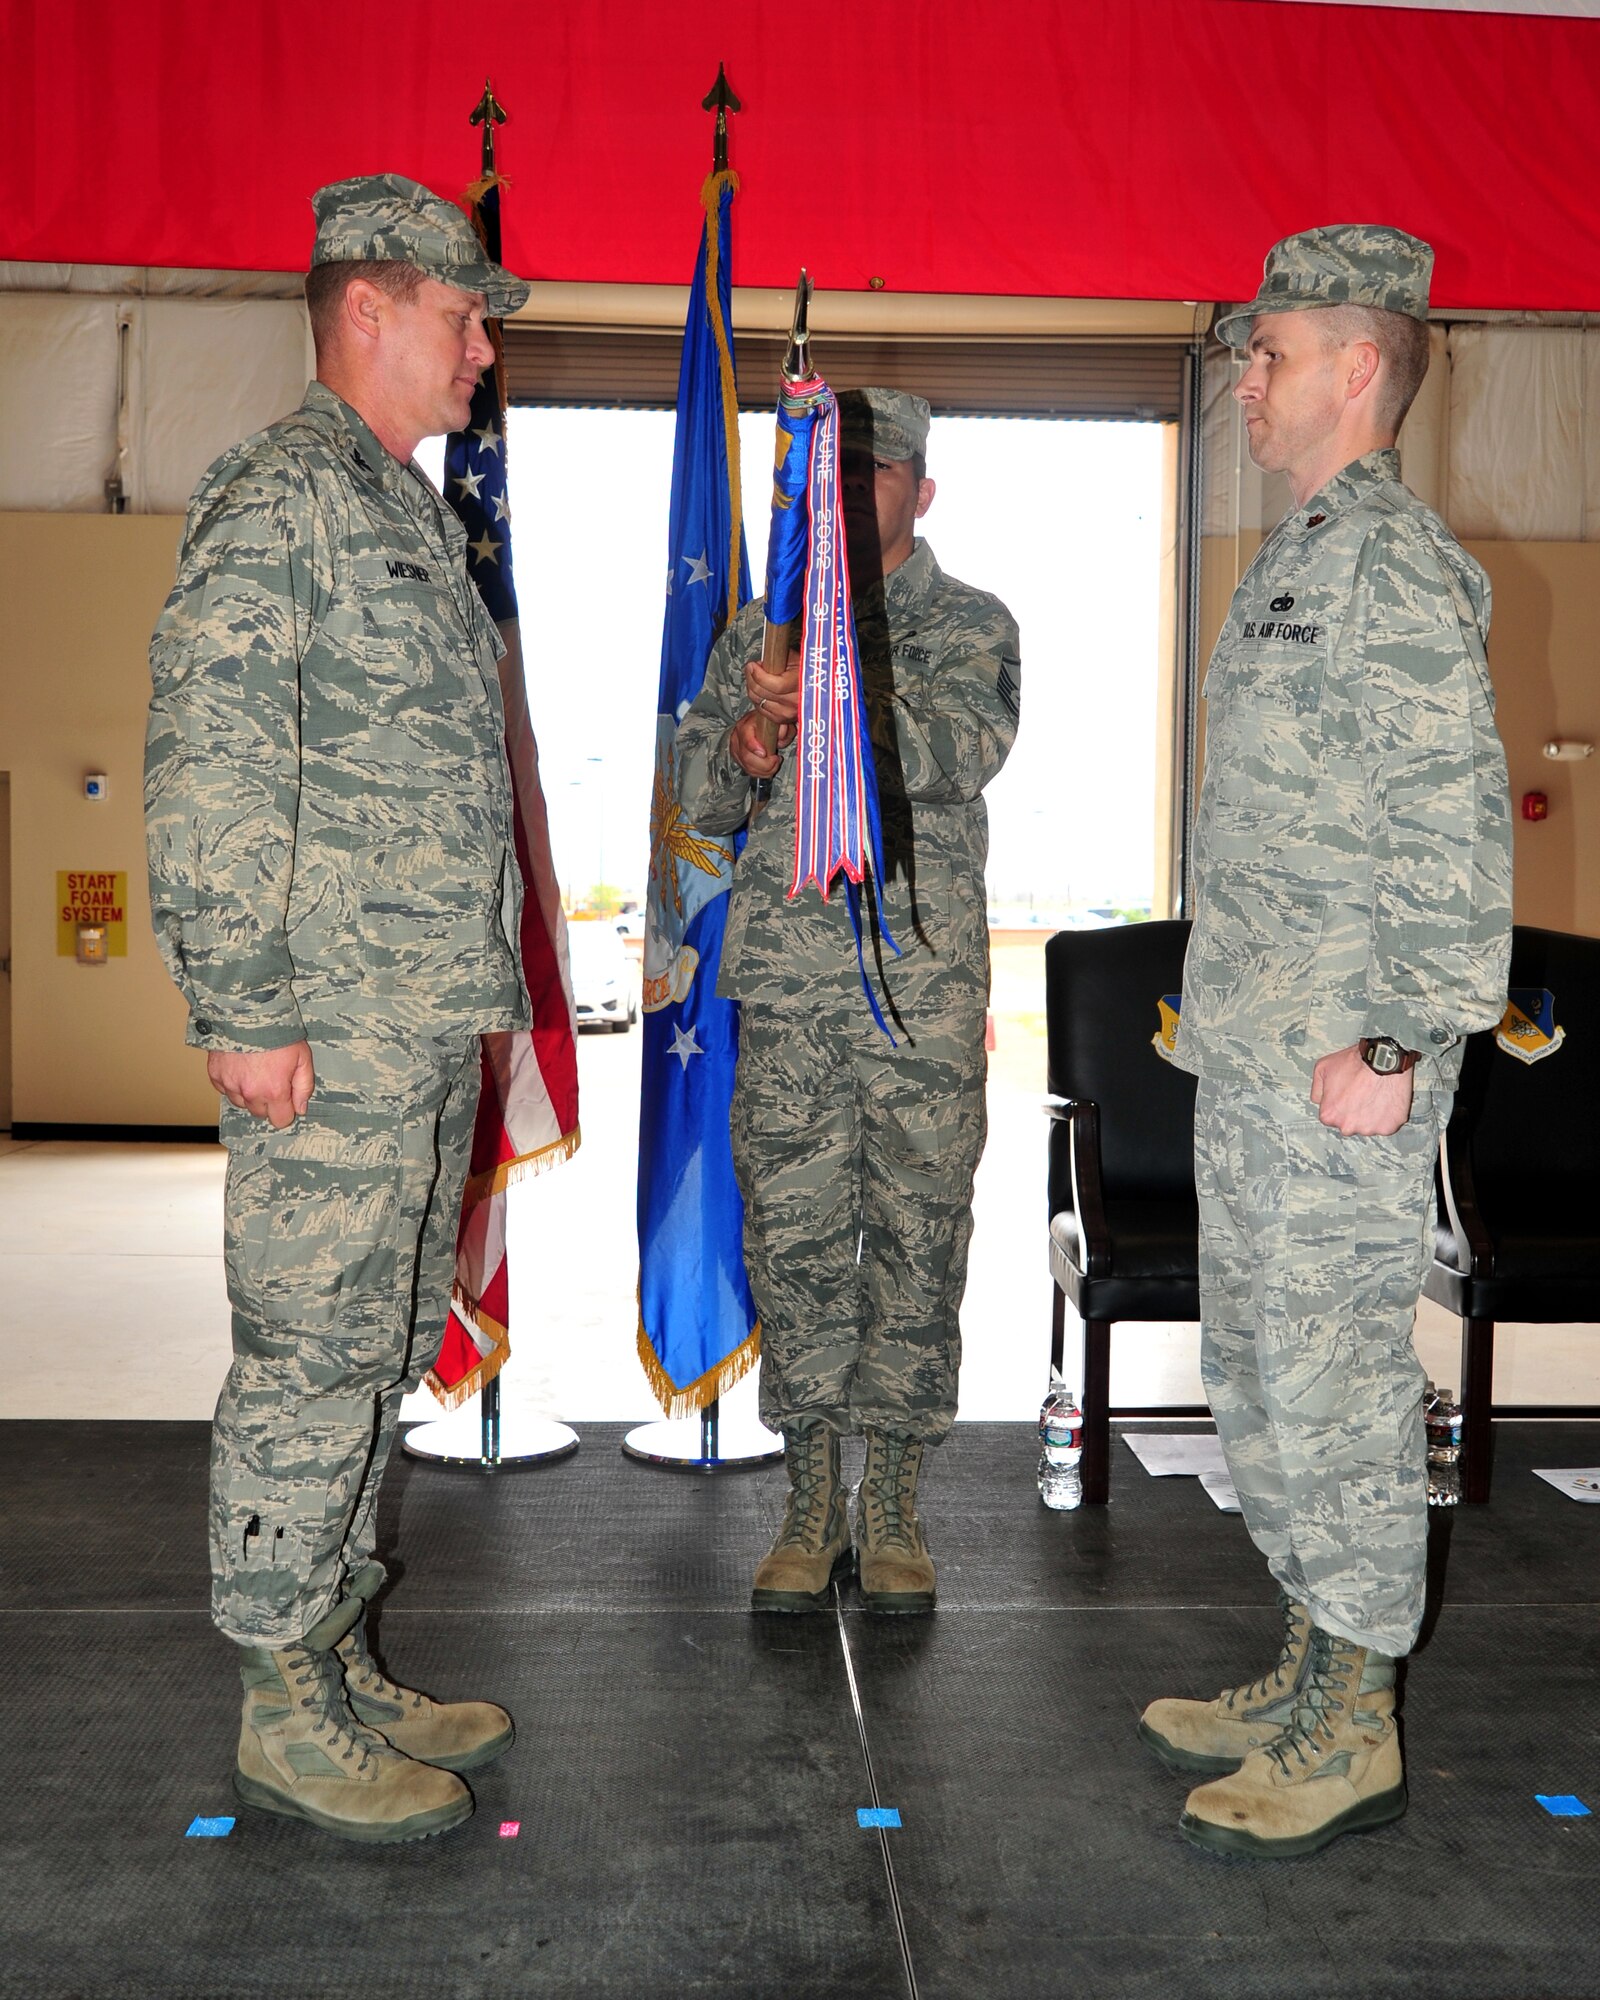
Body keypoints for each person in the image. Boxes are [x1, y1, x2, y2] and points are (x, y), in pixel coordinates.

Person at [144, 173, 534, 1843]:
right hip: (325, 1025)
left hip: (413, 1022)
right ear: (365, 309)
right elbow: (212, 767)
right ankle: (279, 1704)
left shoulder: (405, 514)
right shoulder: (281, 496)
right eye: (463, 318)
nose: (483, 352)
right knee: (308, 1360)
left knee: (372, 1356)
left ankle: (335, 1654)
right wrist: (242, 1002)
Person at [1141, 227, 1513, 1857]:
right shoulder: (1304, 551)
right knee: (1260, 1373)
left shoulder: (1392, 563)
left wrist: (1396, 1038)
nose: (1247, 378)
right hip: (1258, 1050)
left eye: (1271, 351)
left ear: (1358, 367)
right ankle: (1308, 1664)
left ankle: (1355, 1724)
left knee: (1339, 1384)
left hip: (1342, 1065)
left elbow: (1453, 823)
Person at [677, 388, 1021, 1615]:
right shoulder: (756, 633)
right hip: (789, 996)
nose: (852, 489)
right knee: (799, 1243)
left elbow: (955, 754)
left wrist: (822, 693)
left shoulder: (971, 622)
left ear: (920, 491)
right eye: (836, 471)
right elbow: (697, 795)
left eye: (876, 471)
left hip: (919, 994)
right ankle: (813, 1497)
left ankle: (896, 1503)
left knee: (920, 1236)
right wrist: (744, 744)